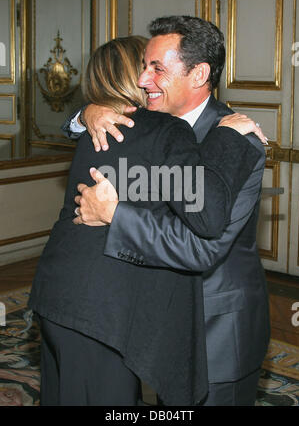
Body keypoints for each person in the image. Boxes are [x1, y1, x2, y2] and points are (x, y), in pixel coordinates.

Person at [28, 34, 263, 407]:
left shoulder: (239, 138)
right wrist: (86, 112)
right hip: (125, 309)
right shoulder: (119, 123)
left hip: (214, 322)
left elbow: (201, 244)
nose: (142, 79)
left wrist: (114, 214)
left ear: (198, 74)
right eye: (142, 66)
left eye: (156, 68)